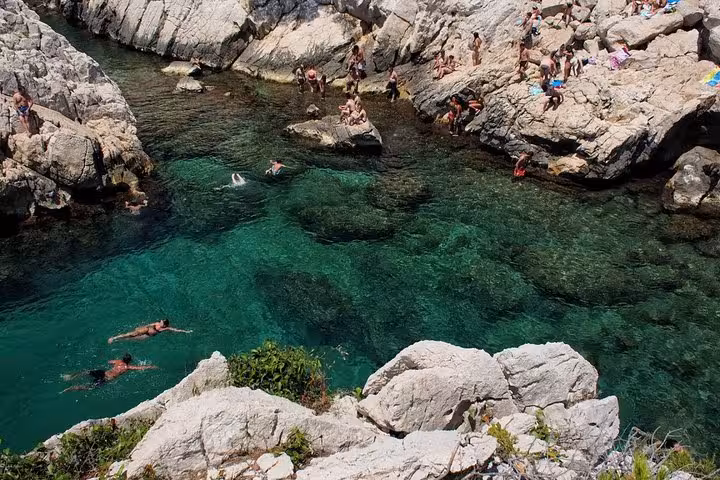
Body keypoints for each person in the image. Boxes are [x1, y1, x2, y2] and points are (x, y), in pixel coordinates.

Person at [62, 354, 158, 392]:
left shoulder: (118, 361)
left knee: (86, 372)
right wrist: (151, 366)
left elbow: (109, 361)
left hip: (103, 373)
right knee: (89, 387)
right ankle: (70, 389)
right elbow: (140, 368)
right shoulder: (127, 367)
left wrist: (116, 361)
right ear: (129, 361)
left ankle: (70, 377)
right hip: (107, 378)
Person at [108, 319, 192, 344]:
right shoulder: (157, 323)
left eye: (162, 322)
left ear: (165, 325)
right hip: (145, 330)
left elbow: (175, 330)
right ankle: (114, 338)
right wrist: (140, 328)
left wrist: (185, 331)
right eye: (161, 321)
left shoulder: (165, 328)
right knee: (130, 334)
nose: (161, 322)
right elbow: (148, 325)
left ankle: (117, 341)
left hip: (148, 335)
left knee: (131, 339)